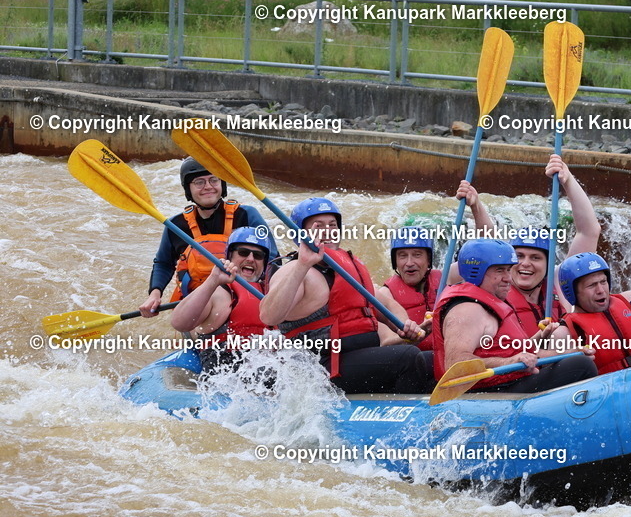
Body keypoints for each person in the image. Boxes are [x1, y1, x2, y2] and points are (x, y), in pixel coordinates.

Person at [259, 197, 433, 394]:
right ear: (300, 234)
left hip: (355, 359)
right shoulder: (294, 270)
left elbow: (387, 305)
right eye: (318, 226)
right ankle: (402, 416)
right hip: (320, 368)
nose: (328, 231)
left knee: (430, 360)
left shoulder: (346, 268)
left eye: (332, 225)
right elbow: (268, 316)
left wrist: (406, 325)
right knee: (408, 357)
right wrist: (302, 265)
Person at [455, 154, 601, 331]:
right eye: (519, 256)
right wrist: (476, 206)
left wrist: (568, 180)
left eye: (535, 257)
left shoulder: (558, 282)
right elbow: (487, 243)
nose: (525, 263)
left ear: (548, 264)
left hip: (559, 357)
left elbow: (589, 232)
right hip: (517, 358)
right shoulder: (495, 285)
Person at [433, 238, 597, 393]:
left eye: (508, 270)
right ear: (477, 271)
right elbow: (456, 365)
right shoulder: (466, 309)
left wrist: (562, 349)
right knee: (580, 366)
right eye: (499, 270)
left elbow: (513, 352)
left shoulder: (490, 300)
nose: (508, 279)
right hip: (486, 393)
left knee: (576, 357)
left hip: (507, 382)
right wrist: (509, 362)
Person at [138, 157, 278, 316]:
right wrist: (155, 294)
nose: (208, 187)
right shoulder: (176, 226)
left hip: (244, 295)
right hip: (198, 301)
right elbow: (164, 263)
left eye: (213, 180)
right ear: (188, 189)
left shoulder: (246, 215)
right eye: (199, 182)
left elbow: (273, 258)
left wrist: (274, 295)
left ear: (222, 185)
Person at [169, 227, 275, 372]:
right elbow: (179, 323)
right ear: (230, 257)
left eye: (258, 255)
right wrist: (212, 281)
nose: (250, 259)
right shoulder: (219, 292)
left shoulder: (273, 294)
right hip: (225, 376)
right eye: (243, 252)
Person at [376, 227, 439, 351]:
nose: (409, 263)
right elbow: (386, 343)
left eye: (417, 255)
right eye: (402, 256)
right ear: (395, 262)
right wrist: (421, 332)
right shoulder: (385, 295)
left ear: (428, 259)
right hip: (415, 361)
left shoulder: (446, 278)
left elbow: (485, 250)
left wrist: (476, 207)